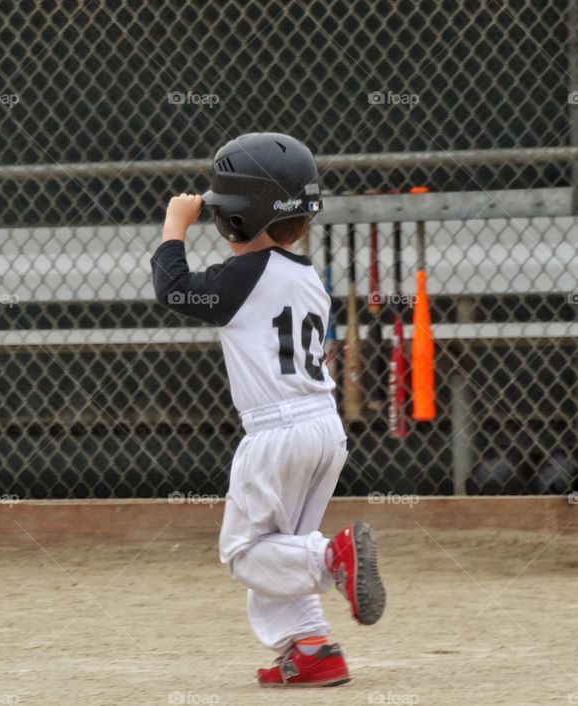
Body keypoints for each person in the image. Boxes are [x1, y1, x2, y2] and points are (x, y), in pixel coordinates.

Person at [150, 132, 385, 687]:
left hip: (277, 431)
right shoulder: (308, 278)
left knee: (245, 553)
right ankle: (310, 649)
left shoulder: (243, 276)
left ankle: (335, 557)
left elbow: (174, 290)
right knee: (281, 549)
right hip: (323, 428)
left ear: (236, 220)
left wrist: (174, 226)